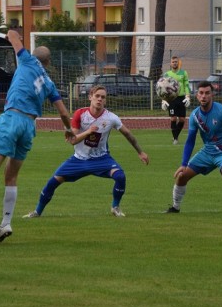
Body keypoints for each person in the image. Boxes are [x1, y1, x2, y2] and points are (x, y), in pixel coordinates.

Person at [0, 28, 73, 243]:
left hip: (12, 118)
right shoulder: (48, 82)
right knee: (11, 176)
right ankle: (5, 223)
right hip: (29, 126)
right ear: (49, 63)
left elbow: (12, 33)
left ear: (33, 54)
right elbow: (63, 112)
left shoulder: (27, 60)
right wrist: (68, 129)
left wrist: (11, 36)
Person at [22, 84, 148, 219]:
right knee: (53, 182)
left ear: (105, 100)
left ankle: (115, 207)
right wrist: (88, 132)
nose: (100, 99)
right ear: (90, 97)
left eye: (103, 97)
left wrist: (140, 152)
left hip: (101, 159)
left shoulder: (111, 118)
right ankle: (37, 212)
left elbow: (128, 134)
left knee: (120, 177)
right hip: (79, 160)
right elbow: (73, 140)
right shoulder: (80, 114)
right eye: (97, 96)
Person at [164, 80, 222, 215]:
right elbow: (190, 141)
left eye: (207, 93)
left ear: (212, 95)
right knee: (182, 176)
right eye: (201, 93)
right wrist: (183, 164)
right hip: (208, 152)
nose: (204, 96)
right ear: (197, 96)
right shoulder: (195, 116)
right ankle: (175, 207)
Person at [161, 56, 192, 145]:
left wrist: (188, 96)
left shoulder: (184, 73)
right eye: (173, 62)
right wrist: (163, 100)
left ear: (178, 63)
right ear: (170, 64)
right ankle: (175, 138)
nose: (175, 63)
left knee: (182, 119)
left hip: (181, 98)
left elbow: (186, 85)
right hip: (172, 98)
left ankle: (175, 136)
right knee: (173, 118)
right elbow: (163, 88)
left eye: (176, 62)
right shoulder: (167, 74)